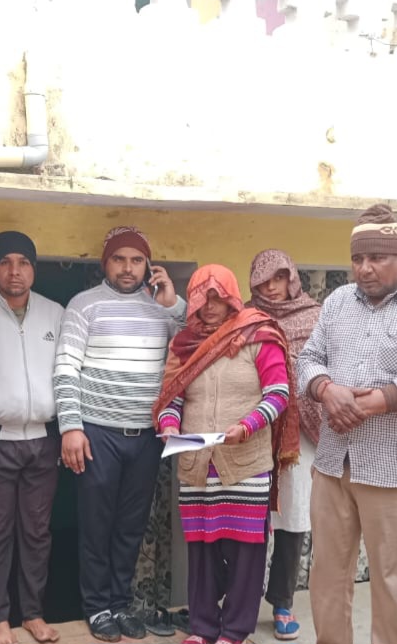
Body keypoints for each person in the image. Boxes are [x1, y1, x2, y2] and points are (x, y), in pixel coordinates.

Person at [296, 204, 397, 644]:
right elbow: (307, 359)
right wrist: (326, 388)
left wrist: (380, 401)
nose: (364, 268)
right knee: (327, 577)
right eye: (357, 259)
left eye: (377, 258)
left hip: (394, 470)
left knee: (394, 584)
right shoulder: (336, 302)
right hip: (333, 465)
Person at [153, 264, 299, 644]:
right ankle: (203, 628)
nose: (210, 306)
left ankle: (234, 631)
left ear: (233, 298)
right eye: (202, 298)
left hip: (245, 463)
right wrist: (170, 425)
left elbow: (278, 394)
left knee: (245, 553)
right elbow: (172, 398)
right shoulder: (184, 344)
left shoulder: (258, 335)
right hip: (197, 465)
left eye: (218, 297)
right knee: (201, 551)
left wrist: (247, 426)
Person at [53, 226, 185, 642]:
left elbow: (191, 349)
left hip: (146, 436)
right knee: (96, 525)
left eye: (136, 260)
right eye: (119, 259)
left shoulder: (161, 308)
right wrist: (71, 428)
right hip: (98, 434)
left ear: (149, 265)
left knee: (131, 526)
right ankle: (97, 608)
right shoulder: (84, 305)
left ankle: (120, 604)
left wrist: (174, 304)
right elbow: (66, 368)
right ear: (105, 263)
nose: (128, 268)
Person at [0, 231, 64, 644]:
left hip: (43, 438)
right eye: (6, 262)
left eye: (23, 262)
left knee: (37, 531)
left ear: (34, 269)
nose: (15, 271)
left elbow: (67, 372)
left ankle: (33, 614)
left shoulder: (55, 314)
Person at [247, 250, 323, 641]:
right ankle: (241, 602)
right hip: (253, 428)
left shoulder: (317, 317)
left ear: (292, 278)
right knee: (248, 517)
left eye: (278, 278)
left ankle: (282, 602)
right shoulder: (245, 319)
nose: (271, 287)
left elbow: (329, 365)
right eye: (263, 280)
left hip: (299, 435)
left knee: (292, 518)